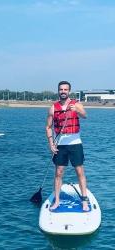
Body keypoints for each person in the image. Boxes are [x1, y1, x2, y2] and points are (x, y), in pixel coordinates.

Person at [45, 81, 89, 212]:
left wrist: (77, 110)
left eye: (65, 89)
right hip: (60, 145)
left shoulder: (76, 104)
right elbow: (48, 127)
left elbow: (85, 115)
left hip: (75, 144)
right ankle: (57, 200)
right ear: (58, 91)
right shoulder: (53, 108)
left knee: (79, 171)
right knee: (58, 172)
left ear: (69, 91)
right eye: (61, 89)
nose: (63, 91)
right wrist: (51, 144)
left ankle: (84, 200)